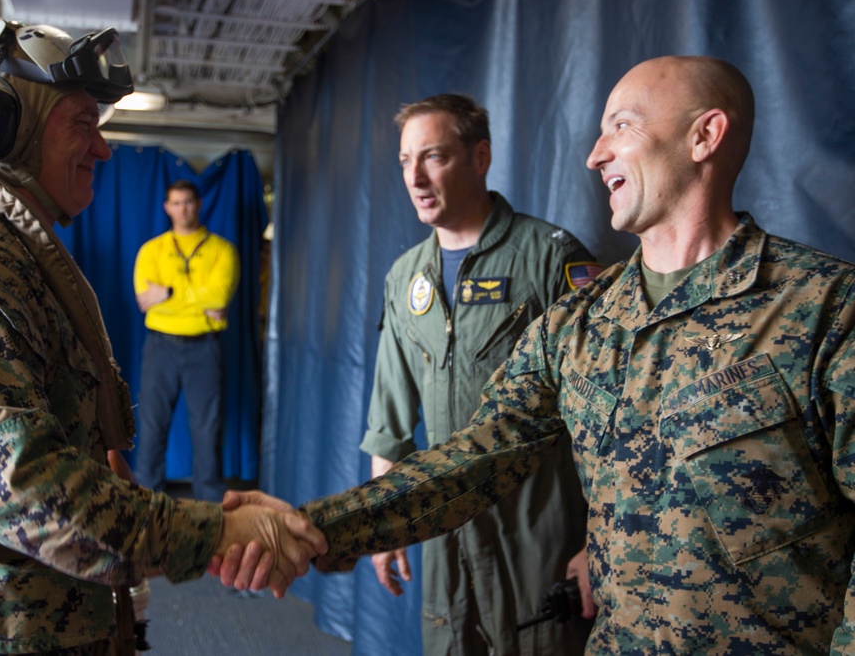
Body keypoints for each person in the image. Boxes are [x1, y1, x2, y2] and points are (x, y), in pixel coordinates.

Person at [219, 55, 855, 653]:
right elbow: (475, 459)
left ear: (704, 136)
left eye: (622, 127)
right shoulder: (579, 320)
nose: (594, 153)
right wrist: (313, 525)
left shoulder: (827, 309)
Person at [0, 19, 324, 656]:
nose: (103, 149)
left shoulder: (10, 254)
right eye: (82, 123)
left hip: (41, 617)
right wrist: (213, 535)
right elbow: (20, 490)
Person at [363, 93, 597, 655]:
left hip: (536, 522)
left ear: (480, 157)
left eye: (434, 157)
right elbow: (390, 414)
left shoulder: (547, 257)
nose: (415, 176)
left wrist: (598, 539)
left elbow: (609, 414)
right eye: (404, 161)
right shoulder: (405, 278)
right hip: (445, 526)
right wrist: (381, 520)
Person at [132, 179, 240, 502]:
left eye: (188, 202)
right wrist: (198, 301)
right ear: (167, 207)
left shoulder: (222, 249)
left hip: (204, 349)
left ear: (199, 204)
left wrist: (169, 292)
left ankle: (211, 507)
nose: (183, 209)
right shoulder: (151, 250)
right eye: (176, 203)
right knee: (151, 427)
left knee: (207, 430)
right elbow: (144, 300)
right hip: (160, 347)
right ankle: (147, 503)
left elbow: (220, 297)